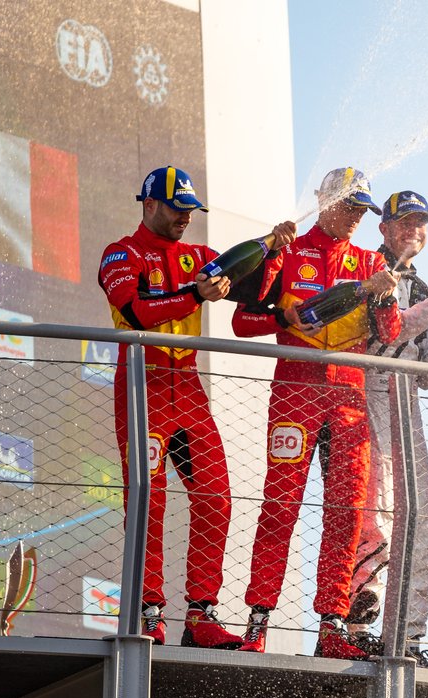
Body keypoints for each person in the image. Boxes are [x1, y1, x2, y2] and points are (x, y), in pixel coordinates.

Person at [99, 165, 295, 648]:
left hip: (188, 391)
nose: (186, 218)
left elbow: (254, 292)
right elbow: (135, 311)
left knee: (216, 497)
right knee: (148, 501)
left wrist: (272, 251)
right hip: (142, 387)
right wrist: (193, 294)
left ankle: (200, 614)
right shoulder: (120, 253)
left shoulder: (198, 257)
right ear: (149, 205)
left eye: (191, 210)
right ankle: (148, 612)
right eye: (177, 209)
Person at [232, 167, 403, 660]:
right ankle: (257, 623)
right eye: (348, 205)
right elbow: (243, 322)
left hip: (350, 401)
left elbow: (388, 335)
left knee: (348, 512)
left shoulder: (371, 260)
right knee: (280, 505)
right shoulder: (286, 249)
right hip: (295, 392)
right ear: (324, 199)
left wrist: (385, 295)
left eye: (362, 210)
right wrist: (284, 316)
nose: (354, 217)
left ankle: (332, 626)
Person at [346, 190, 428, 667]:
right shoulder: (366, 269)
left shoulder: (421, 289)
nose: (414, 231)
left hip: (405, 404)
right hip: (364, 393)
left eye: (422, 223)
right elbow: (389, 332)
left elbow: (425, 374)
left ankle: (408, 638)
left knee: (422, 524)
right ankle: (359, 628)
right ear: (383, 227)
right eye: (405, 222)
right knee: (374, 518)